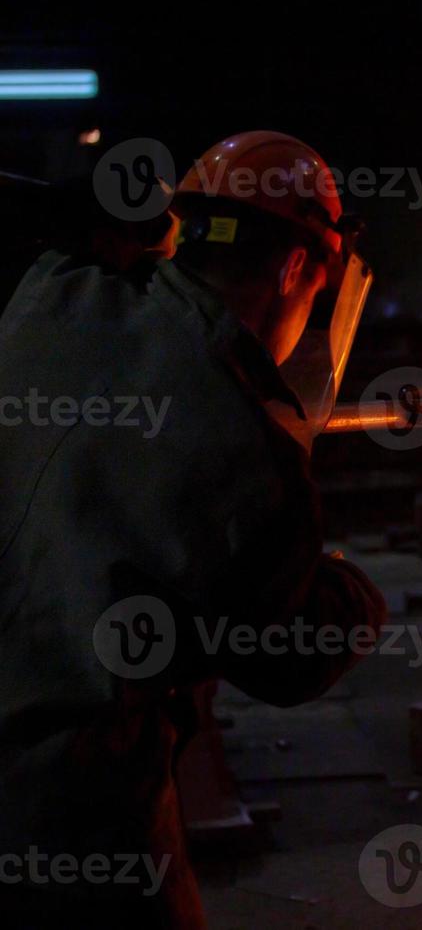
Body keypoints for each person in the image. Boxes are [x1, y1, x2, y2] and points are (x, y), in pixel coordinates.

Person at [0, 132, 387, 927]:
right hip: (73, 815)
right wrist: (356, 591)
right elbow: (290, 658)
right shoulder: (247, 449)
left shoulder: (53, 293)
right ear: (294, 272)